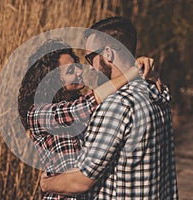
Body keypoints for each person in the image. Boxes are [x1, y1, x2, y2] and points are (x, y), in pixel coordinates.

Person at [40, 17, 179, 199]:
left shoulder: (117, 105)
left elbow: (81, 181)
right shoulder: (157, 92)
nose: (90, 67)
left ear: (107, 53)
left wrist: (46, 183)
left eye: (91, 58)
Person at [18, 39, 157, 199]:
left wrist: (148, 77)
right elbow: (85, 106)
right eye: (71, 71)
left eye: (76, 64)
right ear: (53, 81)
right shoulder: (39, 113)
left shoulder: (76, 104)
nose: (79, 71)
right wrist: (133, 72)